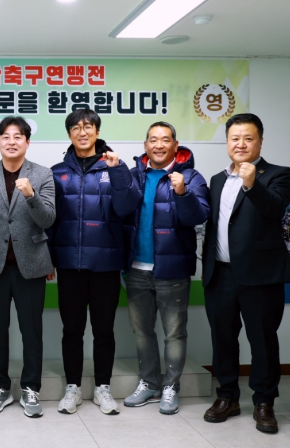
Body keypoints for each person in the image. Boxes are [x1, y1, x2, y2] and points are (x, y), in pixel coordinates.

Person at [48, 109, 141, 415]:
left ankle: (103, 387)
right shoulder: (57, 172)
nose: (82, 132)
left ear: (97, 132)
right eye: (76, 127)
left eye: (88, 126)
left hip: (106, 264)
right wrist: (49, 258)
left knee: (104, 331)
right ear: (69, 134)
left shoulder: (114, 166)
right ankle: (72, 387)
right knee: (72, 330)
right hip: (69, 265)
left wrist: (118, 171)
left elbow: (127, 207)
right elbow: (50, 220)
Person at [202, 113, 290, 434]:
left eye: (248, 138)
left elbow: (274, 208)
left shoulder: (279, 174)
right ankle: (227, 396)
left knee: (263, 341)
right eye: (234, 138)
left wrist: (251, 184)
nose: (240, 144)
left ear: (260, 142)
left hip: (260, 275)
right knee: (222, 339)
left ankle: (264, 402)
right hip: (220, 274)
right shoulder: (216, 180)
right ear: (227, 142)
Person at [0, 116, 55, 418]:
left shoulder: (42, 174)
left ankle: (31, 388)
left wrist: (31, 195)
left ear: (27, 142)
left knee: (32, 332)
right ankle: (0, 387)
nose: (11, 141)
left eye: (18, 136)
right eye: (6, 136)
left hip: (31, 267)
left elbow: (48, 220)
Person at [122, 122, 210, 414]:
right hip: (136, 270)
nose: (159, 145)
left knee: (174, 333)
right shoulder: (133, 176)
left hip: (172, 271)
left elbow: (198, 216)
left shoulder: (191, 177)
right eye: (153, 140)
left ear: (175, 144)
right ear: (145, 145)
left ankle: (171, 386)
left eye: (165, 140)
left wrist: (182, 192)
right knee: (142, 332)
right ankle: (149, 383)